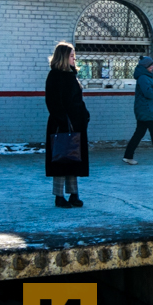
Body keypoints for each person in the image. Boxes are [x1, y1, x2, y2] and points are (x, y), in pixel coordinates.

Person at [44, 42, 89, 208]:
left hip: (76, 123)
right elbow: (53, 102)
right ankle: (59, 196)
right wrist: (63, 121)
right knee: (62, 158)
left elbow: (77, 100)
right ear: (63, 57)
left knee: (73, 158)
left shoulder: (71, 74)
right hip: (62, 124)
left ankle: (73, 194)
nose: (74, 58)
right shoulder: (55, 76)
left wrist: (84, 115)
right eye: (71, 55)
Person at [123, 56, 153, 165]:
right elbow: (149, 93)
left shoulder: (144, 77)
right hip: (146, 110)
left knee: (139, 133)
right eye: (150, 65)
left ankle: (128, 156)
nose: (152, 67)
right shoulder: (143, 78)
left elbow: (149, 90)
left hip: (144, 110)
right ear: (145, 66)